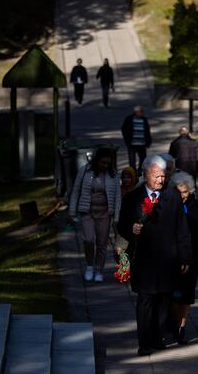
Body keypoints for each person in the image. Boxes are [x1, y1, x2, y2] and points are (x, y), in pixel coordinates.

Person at [118, 155, 191, 356]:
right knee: (145, 300)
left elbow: (182, 229)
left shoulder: (173, 197)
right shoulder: (133, 197)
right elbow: (121, 225)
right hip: (143, 260)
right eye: (156, 176)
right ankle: (144, 341)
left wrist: (185, 257)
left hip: (167, 258)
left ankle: (157, 337)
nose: (161, 180)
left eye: (163, 176)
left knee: (163, 300)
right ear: (145, 175)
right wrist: (131, 229)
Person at [168, 172, 198, 345]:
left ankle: (182, 325)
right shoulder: (167, 205)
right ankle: (174, 320)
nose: (182, 196)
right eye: (179, 192)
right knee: (173, 293)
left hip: (192, 257)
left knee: (187, 293)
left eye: (185, 192)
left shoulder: (196, 207)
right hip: (171, 257)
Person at [68, 148, 121, 282]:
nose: (105, 166)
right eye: (103, 162)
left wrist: (116, 217)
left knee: (102, 243)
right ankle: (90, 265)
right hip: (87, 212)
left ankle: (99, 270)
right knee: (88, 239)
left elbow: (117, 197)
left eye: (108, 163)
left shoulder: (113, 175)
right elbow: (76, 191)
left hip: (104, 213)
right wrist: (72, 211)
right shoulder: (85, 171)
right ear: (97, 160)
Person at [121, 106, 152, 174]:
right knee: (132, 160)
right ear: (136, 112)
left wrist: (148, 141)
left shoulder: (144, 119)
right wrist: (127, 140)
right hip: (132, 144)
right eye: (141, 112)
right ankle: (133, 172)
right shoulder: (129, 119)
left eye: (142, 112)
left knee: (143, 159)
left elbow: (147, 131)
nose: (142, 113)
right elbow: (124, 129)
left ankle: (140, 170)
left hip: (142, 143)